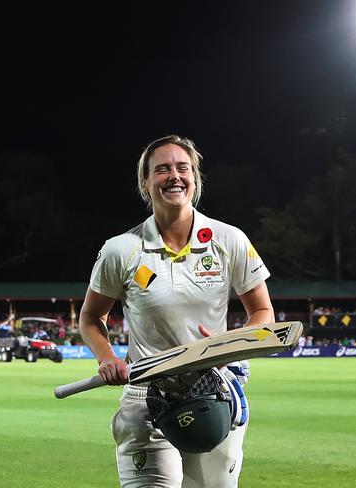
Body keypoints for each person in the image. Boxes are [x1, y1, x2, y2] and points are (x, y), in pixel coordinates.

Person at [79, 134, 274, 488]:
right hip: (146, 398)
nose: (174, 176)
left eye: (183, 167)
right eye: (162, 169)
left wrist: (231, 344)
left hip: (211, 393)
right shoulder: (120, 250)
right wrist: (106, 357)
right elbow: (91, 318)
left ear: (195, 177)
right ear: (145, 182)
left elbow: (262, 313)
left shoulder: (228, 239)